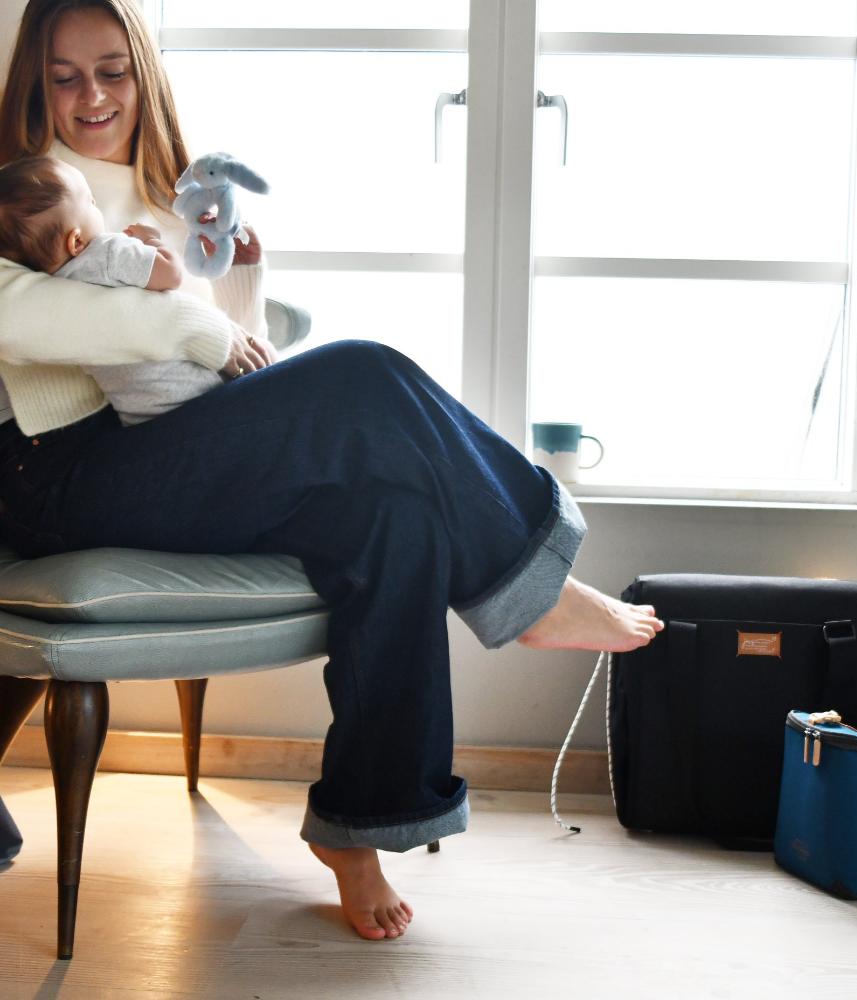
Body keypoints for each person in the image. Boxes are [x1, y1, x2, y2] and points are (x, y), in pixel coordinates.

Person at [0, 0, 664, 941]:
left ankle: (359, 823)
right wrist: (201, 320)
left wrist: (236, 290)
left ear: (143, 72)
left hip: (167, 446)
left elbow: (232, 360)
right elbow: (47, 322)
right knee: (365, 370)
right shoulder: (18, 191)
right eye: (65, 76)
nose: (93, 95)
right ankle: (526, 583)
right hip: (63, 472)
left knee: (392, 512)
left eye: (113, 70)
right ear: (34, 82)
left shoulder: (167, 194)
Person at [0, 154, 227, 425]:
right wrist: (155, 242)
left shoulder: (56, 287)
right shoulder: (107, 252)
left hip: (137, 412)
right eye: (90, 202)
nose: (98, 207)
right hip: (192, 388)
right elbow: (171, 276)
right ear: (76, 241)